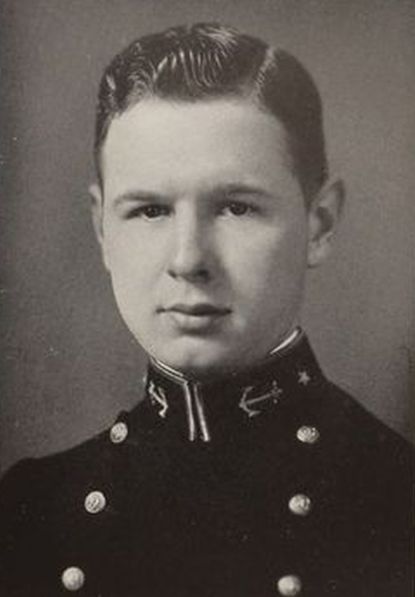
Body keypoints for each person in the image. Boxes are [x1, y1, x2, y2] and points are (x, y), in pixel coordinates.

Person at [0, 22, 413, 597]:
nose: (189, 259)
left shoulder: (397, 502)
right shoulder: (28, 512)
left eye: (236, 208)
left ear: (319, 224)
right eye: (149, 210)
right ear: (101, 229)